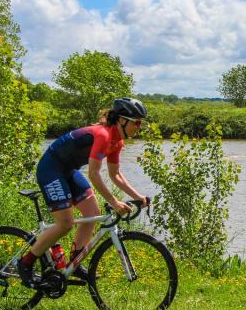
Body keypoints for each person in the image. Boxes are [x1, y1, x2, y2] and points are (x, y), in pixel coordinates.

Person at [18, 97, 148, 288]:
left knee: (93, 215)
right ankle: (25, 263)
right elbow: (94, 175)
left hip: (68, 170)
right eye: (136, 122)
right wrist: (113, 201)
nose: (139, 127)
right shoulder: (103, 135)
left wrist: (138, 197)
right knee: (65, 223)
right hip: (51, 169)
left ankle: (75, 261)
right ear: (122, 120)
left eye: (141, 123)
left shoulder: (117, 141)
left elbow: (115, 175)